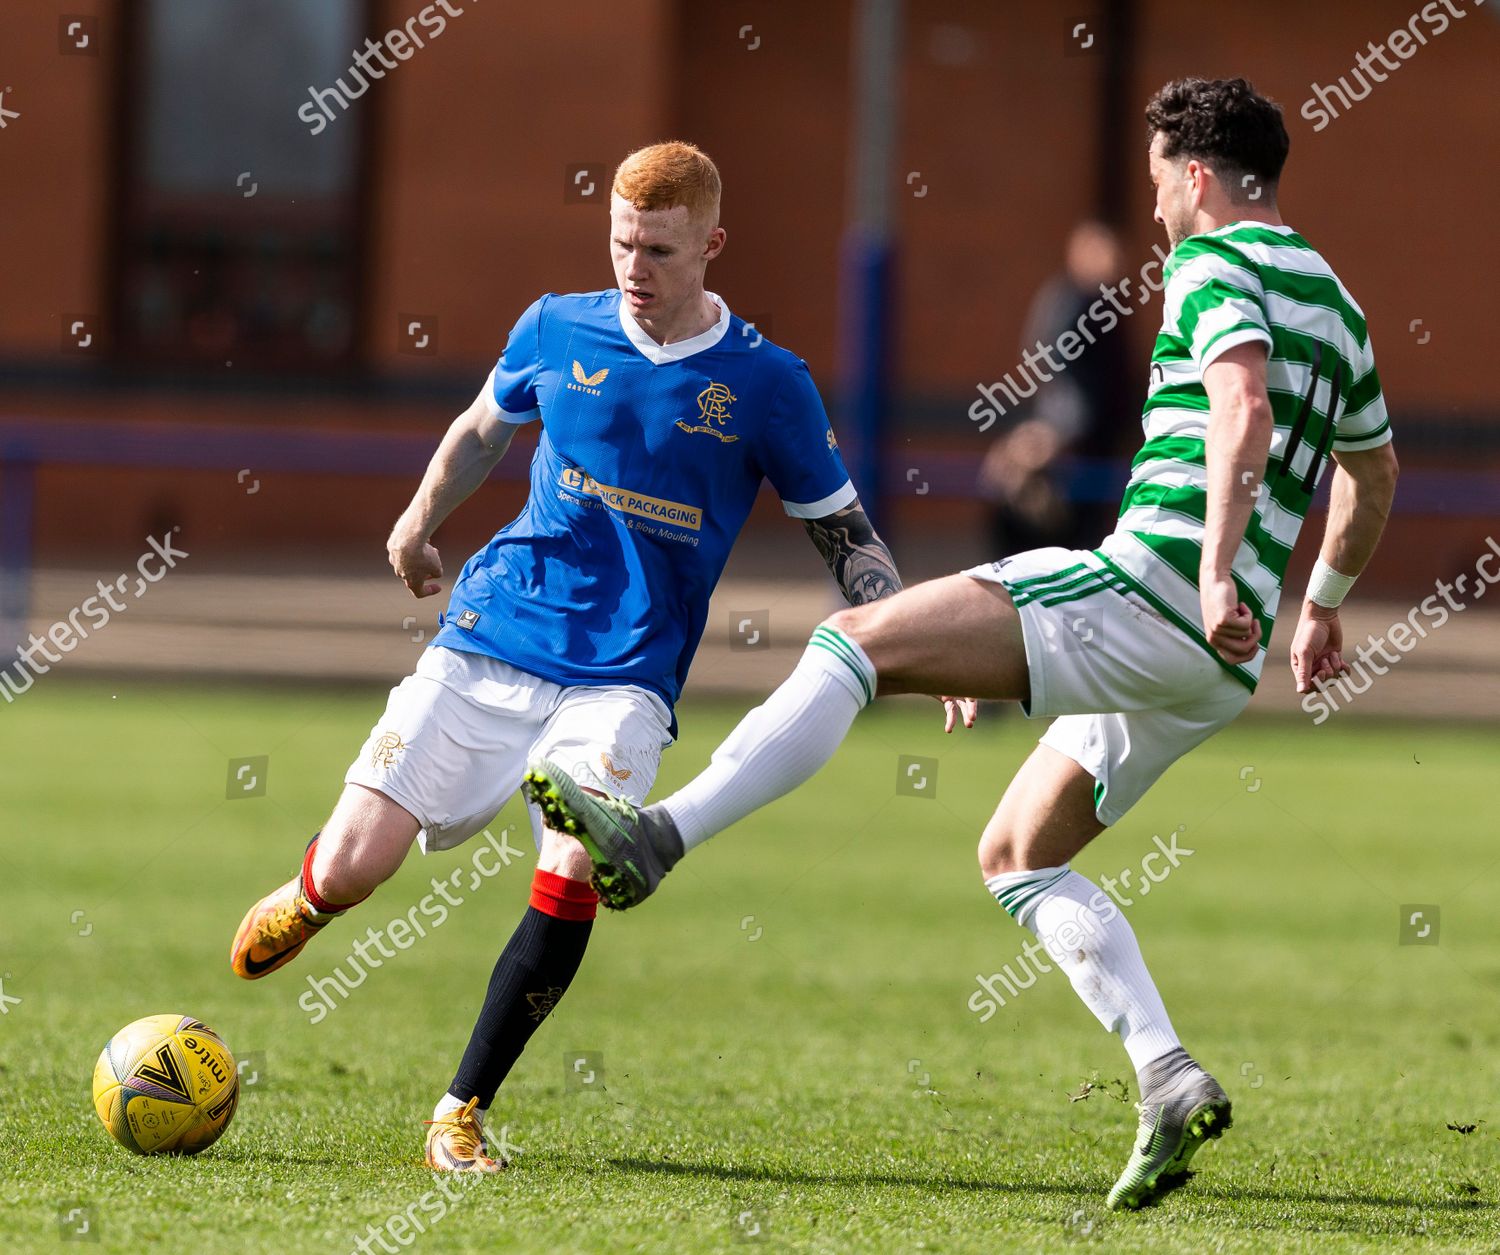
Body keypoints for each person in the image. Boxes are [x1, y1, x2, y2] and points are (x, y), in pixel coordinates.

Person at [525, 78, 1399, 1211]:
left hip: (1151, 595)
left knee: (853, 641)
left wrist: (1217, 564)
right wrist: (1320, 601)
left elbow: (1242, 414)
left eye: (1156, 188)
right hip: (1219, 663)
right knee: (1020, 852)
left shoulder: (1214, 264)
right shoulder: (1337, 302)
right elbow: (1371, 471)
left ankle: (658, 836)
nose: (1157, 215)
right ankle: (1168, 1075)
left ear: (1195, 177)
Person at [228, 141, 957, 1171]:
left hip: (626, 674)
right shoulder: (554, 325)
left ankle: (460, 1108)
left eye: (658, 248)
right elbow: (486, 427)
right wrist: (417, 519)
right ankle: (311, 895)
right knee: (357, 865)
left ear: (712, 244)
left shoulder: (767, 383)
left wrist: (918, 636)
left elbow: (844, 532)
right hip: (494, 632)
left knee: (576, 861)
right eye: (622, 242)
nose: (635, 266)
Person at [980, 221, 1133, 555]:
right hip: (1078, 437)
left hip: (1097, 438)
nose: (1113, 260)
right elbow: (1056, 370)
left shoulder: (1103, 305)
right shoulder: (1075, 303)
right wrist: (1056, 430)